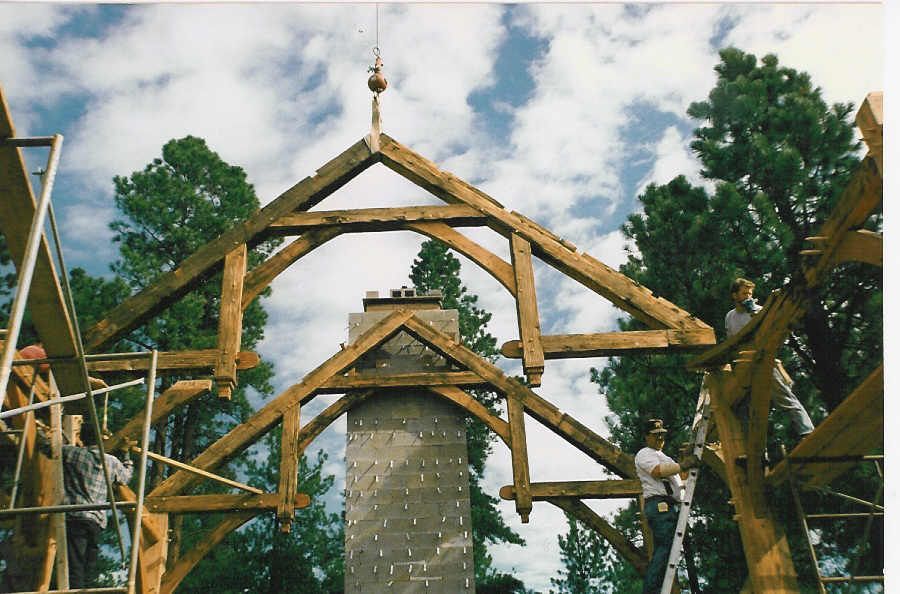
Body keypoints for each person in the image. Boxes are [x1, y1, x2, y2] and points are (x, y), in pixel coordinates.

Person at [38, 418, 134, 588]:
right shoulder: (110, 461)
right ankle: (87, 590)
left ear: (82, 439)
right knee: (89, 566)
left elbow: (46, 448)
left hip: (76, 516)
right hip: (96, 521)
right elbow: (126, 477)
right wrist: (126, 453)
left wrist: (39, 429)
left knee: (75, 564)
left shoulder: (73, 454)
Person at [726, 278, 814, 438]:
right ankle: (752, 448)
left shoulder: (760, 310)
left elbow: (775, 335)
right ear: (734, 295)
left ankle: (807, 432)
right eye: (744, 293)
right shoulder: (730, 317)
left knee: (785, 398)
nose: (748, 297)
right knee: (741, 405)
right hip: (745, 366)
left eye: (750, 294)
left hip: (764, 360)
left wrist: (755, 315)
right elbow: (732, 342)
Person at [635, 418, 699, 594]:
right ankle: (652, 591)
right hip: (659, 506)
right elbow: (657, 471)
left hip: (669, 506)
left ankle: (657, 589)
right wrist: (682, 465)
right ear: (646, 437)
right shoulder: (644, 453)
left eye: (662, 435)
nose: (660, 439)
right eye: (656, 435)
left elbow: (678, 480)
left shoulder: (664, 457)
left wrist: (685, 468)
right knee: (666, 548)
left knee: (669, 549)